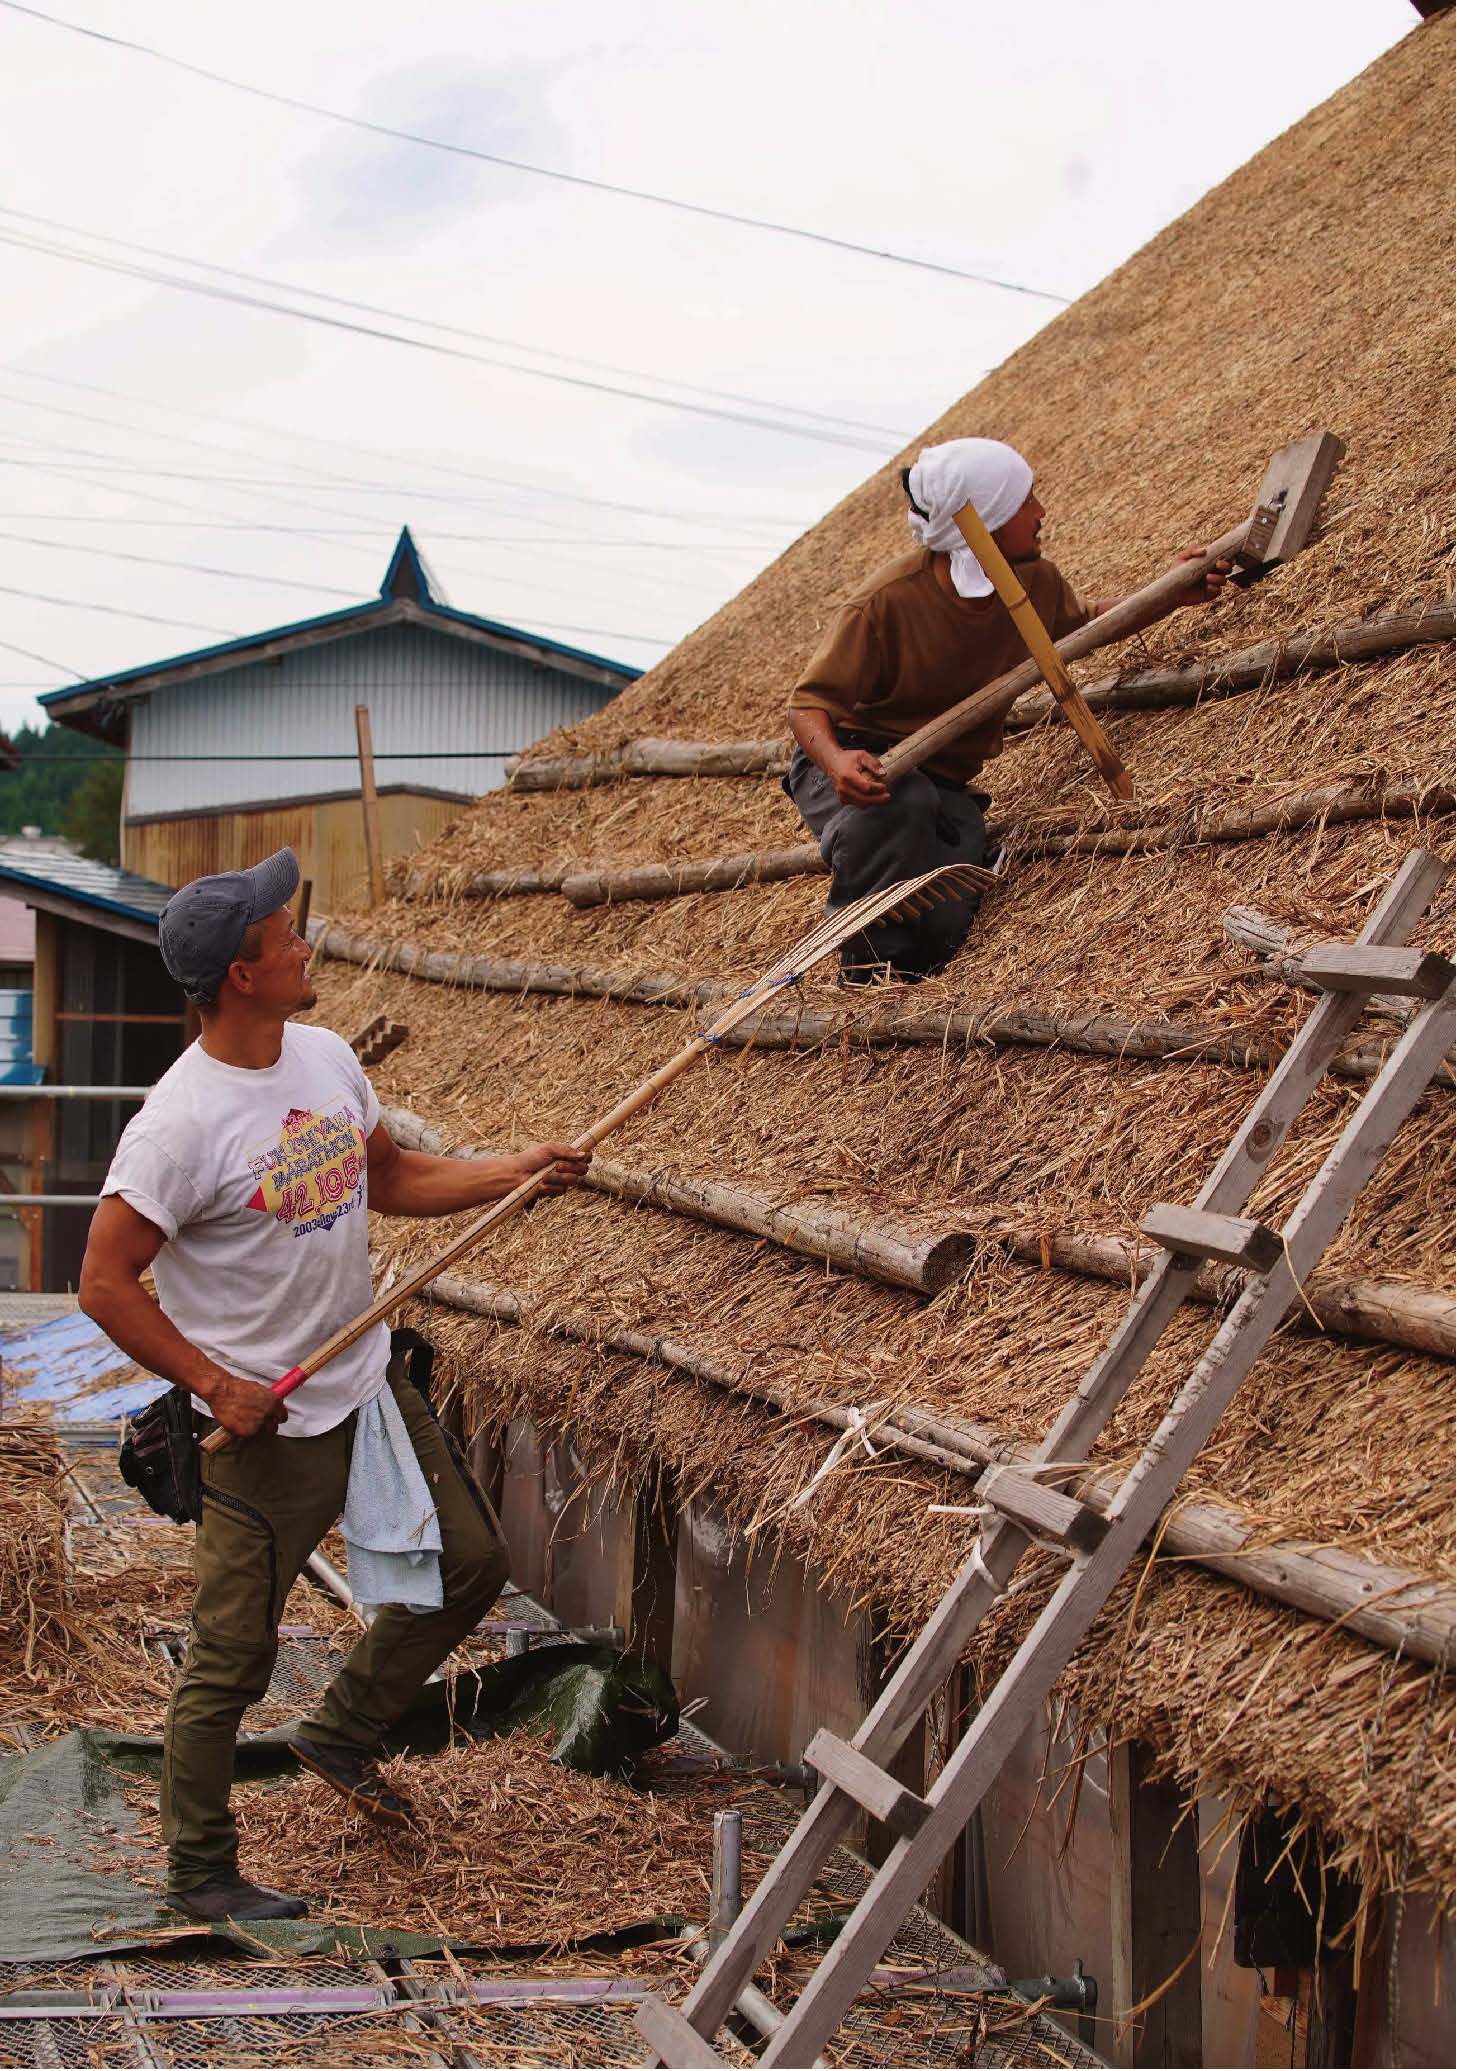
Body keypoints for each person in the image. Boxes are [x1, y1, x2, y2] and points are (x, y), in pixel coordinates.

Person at [78, 848, 591, 1923]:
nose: (305, 943)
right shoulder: (178, 1126)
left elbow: (391, 1177)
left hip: (362, 1380)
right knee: (232, 1656)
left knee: (471, 1564)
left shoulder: (322, 1056)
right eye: (284, 937)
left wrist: (515, 1171)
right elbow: (103, 1282)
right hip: (263, 1426)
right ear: (241, 976)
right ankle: (200, 1871)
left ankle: (343, 1730)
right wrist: (215, 1383)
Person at [785, 436, 1230, 981]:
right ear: (986, 521)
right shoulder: (888, 602)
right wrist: (836, 763)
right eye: (1024, 502)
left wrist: (1167, 594)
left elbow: (1087, 624)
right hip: (859, 762)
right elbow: (807, 704)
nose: (1041, 512)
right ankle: (861, 969)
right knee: (900, 807)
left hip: (942, 782)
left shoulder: (1034, 584)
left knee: (950, 900)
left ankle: (906, 979)